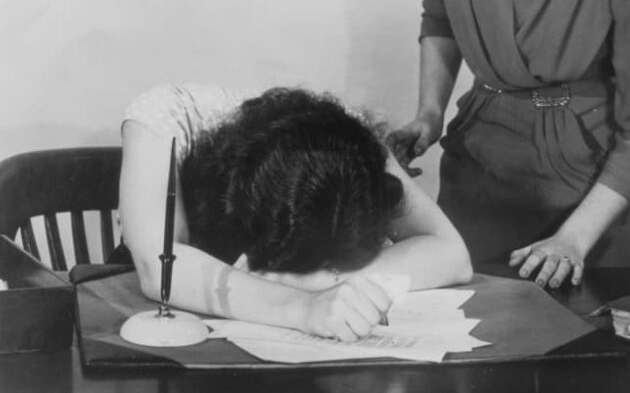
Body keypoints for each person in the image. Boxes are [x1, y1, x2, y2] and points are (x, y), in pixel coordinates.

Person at [387, 0, 630, 289]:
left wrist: (574, 239)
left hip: (591, 196)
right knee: (469, 310)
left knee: (586, 316)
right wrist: (430, 112)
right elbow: (441, 20)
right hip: (478, 174)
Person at [119, 84, 472, 342]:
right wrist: (304, 308)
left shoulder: (348, 139)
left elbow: (452, 254)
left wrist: (314, 281)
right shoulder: (166, 116)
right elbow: (160, 268)